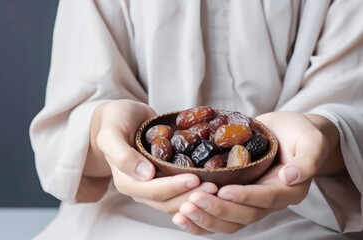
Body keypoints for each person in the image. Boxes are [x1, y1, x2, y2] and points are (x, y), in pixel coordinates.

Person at [29, 0, 363, 239]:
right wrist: (110, 132)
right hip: (122, 216)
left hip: (303, 217)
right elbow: (66, 136)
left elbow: (350, 110)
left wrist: (320, 136)